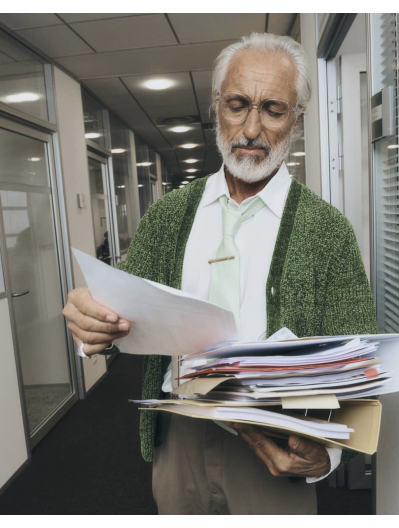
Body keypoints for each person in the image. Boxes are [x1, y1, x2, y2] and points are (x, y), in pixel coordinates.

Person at [63, 33, 377, 515]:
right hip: (180, 435)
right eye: (237, 104)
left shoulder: (327, 230)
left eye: (272, 109)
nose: (251, 128)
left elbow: (359, 361)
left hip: (277, 442)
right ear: (216, 108)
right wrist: (91, 324)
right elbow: (116, 309)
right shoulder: (168, 216)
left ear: (297, 119)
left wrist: (328, 454)